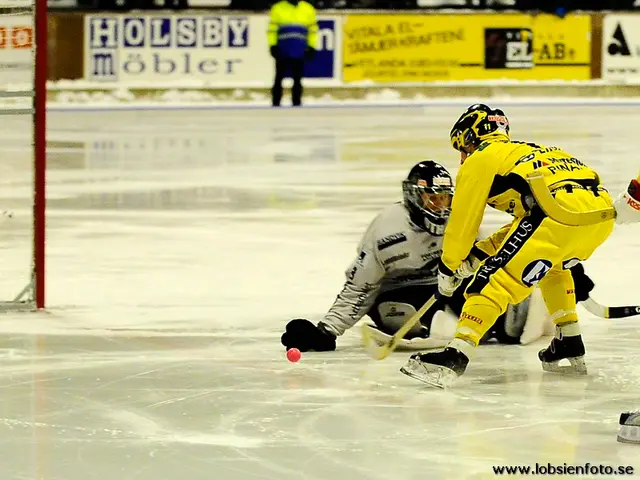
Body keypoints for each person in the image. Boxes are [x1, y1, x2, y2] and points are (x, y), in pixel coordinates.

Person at [400, 104, 616, 388]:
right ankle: (569, 341)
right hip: (598, 216)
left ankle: (455, 355)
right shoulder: (528, 152)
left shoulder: (482, 158)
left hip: (556, 215)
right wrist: (479, 253)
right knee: (553, 267)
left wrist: (449, 267)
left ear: (470, 137)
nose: (462, 156)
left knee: (490, 282)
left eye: (461, 147)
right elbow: (528, 223)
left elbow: (463, 223)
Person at [281, 161, 559, 354]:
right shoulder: (387, 231)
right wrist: (326, 331)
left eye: (444, 198)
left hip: (447, 282)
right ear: (413, 196)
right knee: (413, 318)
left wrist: (552, 266)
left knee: (510, 327)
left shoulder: (459, 221)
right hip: (400, 292)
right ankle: (447, 326)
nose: (440, 206)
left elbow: (491, 256)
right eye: (432, 198)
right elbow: (360, 287)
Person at [267, 0, 318, 107]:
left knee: (297, 77)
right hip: (283, 48)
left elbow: (313, 30)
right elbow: (272, 29)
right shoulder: (278, 8)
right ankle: (276, 102)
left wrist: (312, 46)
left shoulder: (308, 8)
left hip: (299, 49)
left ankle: (297, 101)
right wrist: (273, 45)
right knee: (279, 76)